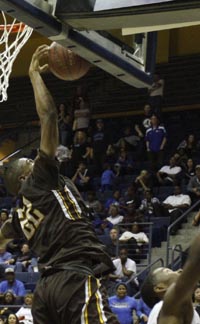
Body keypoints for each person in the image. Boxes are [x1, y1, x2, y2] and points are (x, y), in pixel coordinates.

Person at [1, 45, 119, 324]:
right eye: (31, 161)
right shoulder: (39, 179)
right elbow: (50, 117)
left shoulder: (19, 216)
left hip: (47, 288)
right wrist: (33, 75)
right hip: (72, 279)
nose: (36, 159)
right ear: (23, 177)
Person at [140, 231, 200, 323]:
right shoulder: (167, 307)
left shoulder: (181, 309)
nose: (179, 271)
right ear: (160, 288)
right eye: (168, 271)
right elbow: (195, 262)